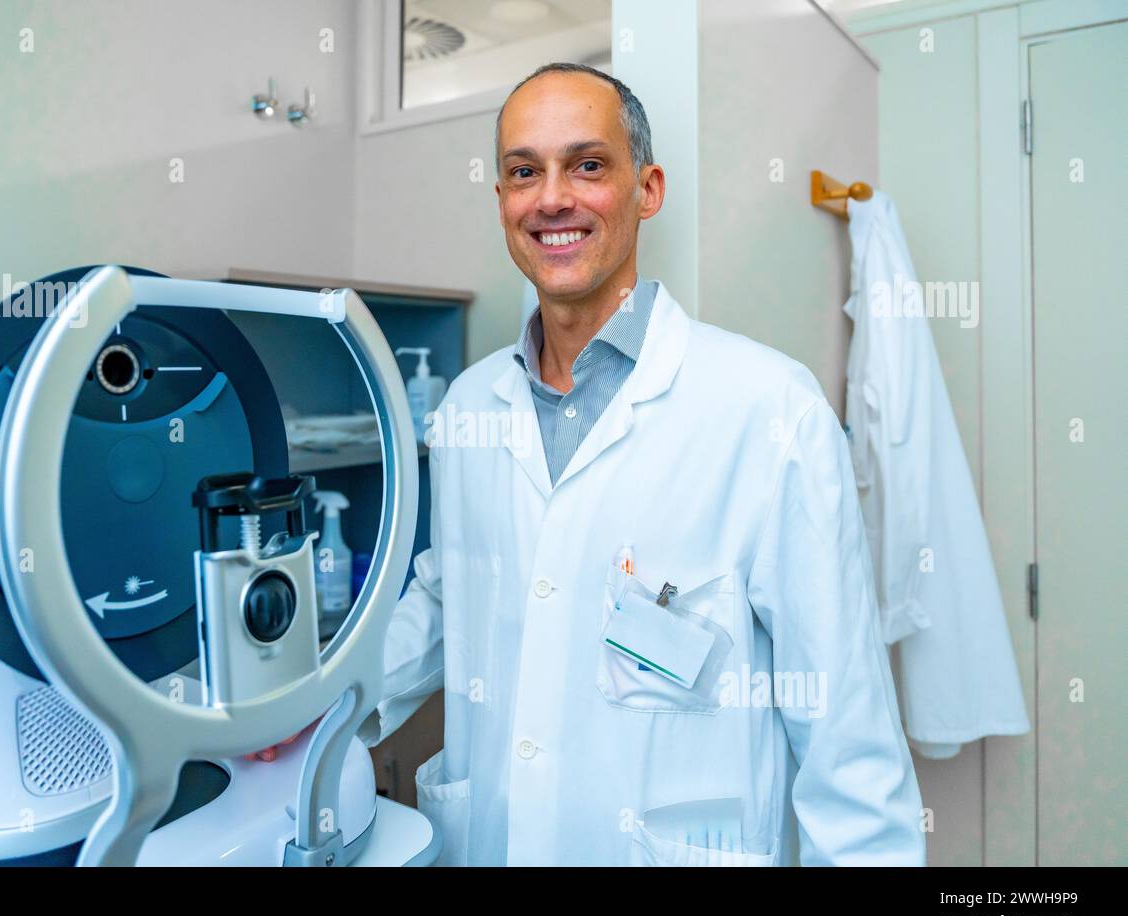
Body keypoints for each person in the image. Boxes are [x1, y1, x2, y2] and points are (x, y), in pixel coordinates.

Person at [361, 62, 923, 866]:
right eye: (525, 172)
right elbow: (449, 592)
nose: (551, 197)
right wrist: (315, 713)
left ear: (647, 189)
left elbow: (848, 740)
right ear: (502, 203)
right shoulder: (467, 411)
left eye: (587, 165)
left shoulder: (769, 411)